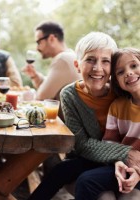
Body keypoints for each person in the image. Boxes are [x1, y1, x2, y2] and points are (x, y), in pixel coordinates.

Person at [27, 32, 140, 200]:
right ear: (77, 65)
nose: (97, 68)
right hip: (89, 157)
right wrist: (124, 153)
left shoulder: (121, 92)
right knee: (60, 171)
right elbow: (82, 145)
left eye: (105, 61)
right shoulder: (70, 94)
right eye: (90, 60)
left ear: (112, 68)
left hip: (117, 162)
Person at [76, 48, 140, 200]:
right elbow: (110, 143)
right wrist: (119, 163)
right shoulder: (118, 106)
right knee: (85, 181)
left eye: (134, 66)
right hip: (124, 166)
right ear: (116, 81)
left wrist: (137, 173)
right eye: (120, 72)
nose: (129, 73)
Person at [22, 21, 81, 101]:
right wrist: (35, 76)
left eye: (39, 42)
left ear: (51, 39)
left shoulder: (62, 59)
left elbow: (41, 97)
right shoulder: (69, 55)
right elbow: (50, 87)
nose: (37, 48)